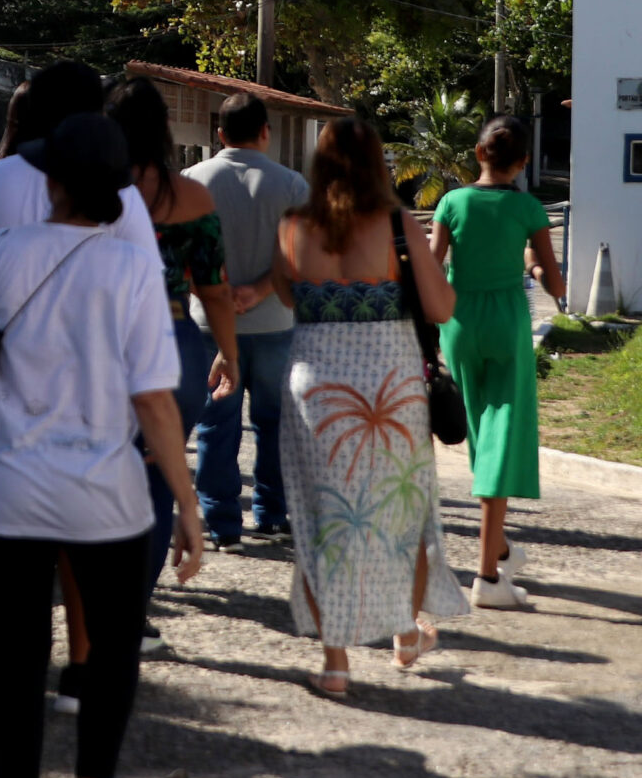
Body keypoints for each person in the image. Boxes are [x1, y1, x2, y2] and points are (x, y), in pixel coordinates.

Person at [0, 113, 204, 778]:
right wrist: (187, 502)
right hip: (106, 492)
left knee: (17, 655)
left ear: (50, 182)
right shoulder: (131, 269)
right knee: (113, 646)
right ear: (120, 187)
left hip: (4, 488)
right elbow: (155, 400)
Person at [0, 61, 157, 711]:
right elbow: (144, 290)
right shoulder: (119, 191)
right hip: (88, 376)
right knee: (76, 534)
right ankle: (79, 668)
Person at [274, 117, 466, 696]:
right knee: (406, 513)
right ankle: (406, 634)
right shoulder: (395, 224)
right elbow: (439, 308)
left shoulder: (292, 226)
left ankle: (336, 663)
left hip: (316, 394)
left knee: (320, 520)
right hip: (391, 392)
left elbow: (288, 296)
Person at [106, 76, 236, 659]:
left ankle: (96, 602)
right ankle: (130, 610)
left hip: (100, 345)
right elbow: (214, 288)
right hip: (174, 340)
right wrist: (229, 354)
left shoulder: (87, 193)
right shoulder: (191, 199)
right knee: (161, 477)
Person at [430, 115, 566, 611]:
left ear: (478, 152)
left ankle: (501, 548)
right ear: (524, 162)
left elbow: (433, 265)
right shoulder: (529, 209)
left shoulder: (452, 202)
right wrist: (530, 262)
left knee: (480, 433)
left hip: (460, 321)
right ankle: (487, 576)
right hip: (507, 321)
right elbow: (557, 286)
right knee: (502, 441)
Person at [183, 92, 307, 550]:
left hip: (209, 325)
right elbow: (299, 255)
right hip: (275, 321)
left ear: (219, 134)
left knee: (216, 424)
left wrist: (217, 295)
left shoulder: (193, 180)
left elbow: (182, 257)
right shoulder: (292, 184)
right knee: (274, 423)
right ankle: (272, 515)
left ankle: (221, 524)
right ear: (265, 132)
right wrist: (258, 291)